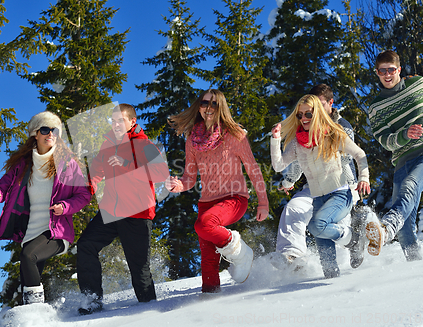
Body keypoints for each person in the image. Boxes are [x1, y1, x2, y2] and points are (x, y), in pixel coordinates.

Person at [166, 89, 269, 294]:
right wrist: (179, 185)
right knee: (207, 257)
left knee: (204, 224)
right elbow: (189, 177)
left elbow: (253, 169)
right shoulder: (192, 140)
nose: (208, 108)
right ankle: (210, 297)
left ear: (221, 107)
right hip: (207, 202)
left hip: (234, 198)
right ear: (199, 107)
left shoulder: (235, 135)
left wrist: (263, 202)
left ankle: (240, 253)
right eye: (204, 104)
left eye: (214, 104)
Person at [0, 111, 92, 305]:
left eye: (54, 130)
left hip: (55, 232)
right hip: (30, 233)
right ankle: (32, 315)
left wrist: (65, 206)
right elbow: (1, 186)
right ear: (35, 134)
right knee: (26, 282)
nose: (50, 134)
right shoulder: (24, 164)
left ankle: (36, 311)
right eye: (45, 129)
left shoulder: (67, 164)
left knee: (28, 257)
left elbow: (84, 195)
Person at [77, 104, 169, 315]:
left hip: (137, 212)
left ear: (132, 122)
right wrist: (89, 186)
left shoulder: (144, 145)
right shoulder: (107, 144)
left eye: (121, 120)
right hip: (111, 209)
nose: (116, 124)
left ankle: (149, 311)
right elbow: (97, 170)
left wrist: (126, 164)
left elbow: (160, 173)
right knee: (86, 245)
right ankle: (92, 300)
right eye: (113, 120)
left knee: (139, 268)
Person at [270, 94, 370, 278]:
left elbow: (359, 154)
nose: (304, 119)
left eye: (308, 114)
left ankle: (355, 240)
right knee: (329, 268)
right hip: (318, 198)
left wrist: (364, 177)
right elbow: (279, 165)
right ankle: (330, 292)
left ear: (317, 113)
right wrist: (275, 140)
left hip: (340, 195)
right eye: (300, 115)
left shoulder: (333, 134)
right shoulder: (298, 143)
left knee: (317, 225)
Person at [365, 50, 423, 260]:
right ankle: (415, 266)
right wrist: (404, 135)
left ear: (398, 69)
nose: (387, 74)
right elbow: (384, 140)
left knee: (409, 187)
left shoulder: (418, 85)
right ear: (377, 72)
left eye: (391, 69)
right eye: (382, 71)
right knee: (406, 227)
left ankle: (386, 228)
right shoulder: (375, 107)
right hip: (403, 159)